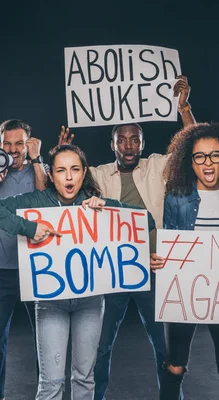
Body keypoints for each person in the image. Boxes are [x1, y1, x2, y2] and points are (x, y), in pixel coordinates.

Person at [0, 144, 159, 400]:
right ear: (51, 175)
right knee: (51, 382)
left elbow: (146, 219)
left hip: (91, 303)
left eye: (75, 169)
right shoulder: (37, 200)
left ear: (84, 172)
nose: (69, 177)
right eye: (61, 171)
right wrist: (28, 227)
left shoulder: (95, 203)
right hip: (51, 303)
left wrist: (107, 208)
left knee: (84, 379)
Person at [58, 76, 196, 399]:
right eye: (122, 140)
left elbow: (192, 145)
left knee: (165, 350)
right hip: (114, 273)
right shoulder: (99, 174)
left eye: (135, 139)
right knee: (100, 348)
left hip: (152, 271)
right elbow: (67, 177)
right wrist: (62, 149)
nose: (129, 145)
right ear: (113, 145)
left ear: (142, 144)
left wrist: (183, 107)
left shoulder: (157, 167)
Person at [157, 123, 219, 400]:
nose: (208, 162)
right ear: (190, 161)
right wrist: (160, 260)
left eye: (215, 155)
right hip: (185, 292)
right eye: (200, 156)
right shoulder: (176, 198)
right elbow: (171, 243)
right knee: (174, 367)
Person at [0, 119, 47, 400]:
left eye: (19, 143)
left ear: (29, 143)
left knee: (44, 342)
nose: (12, 149)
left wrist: (38, 160)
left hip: (37, 267)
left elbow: (45, 201)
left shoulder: (41, 169)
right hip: (1, 268)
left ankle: (47, 394)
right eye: (7, 143)